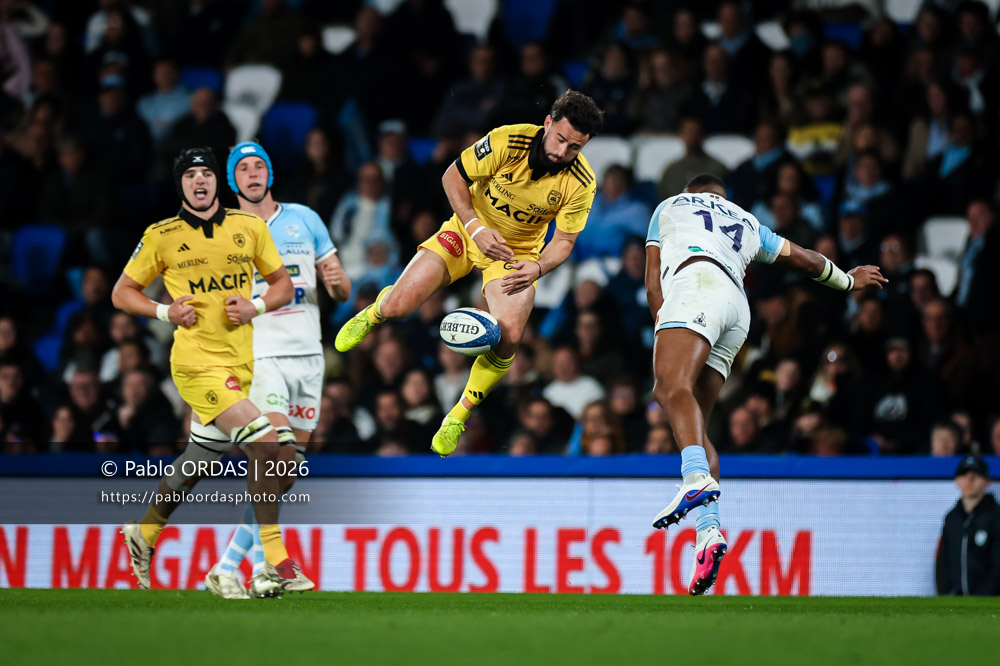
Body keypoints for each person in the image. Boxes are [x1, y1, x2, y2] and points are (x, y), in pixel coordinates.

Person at [645, 173, 886, 595]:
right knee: (694, 426)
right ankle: (708, 531)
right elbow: (807, 260)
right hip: (737, 308)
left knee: (668, 387)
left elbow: (652, 279)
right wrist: (847, 281)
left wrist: (664, 327)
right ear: (725, 198)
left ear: (690, 193)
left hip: (694, 284)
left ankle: (696, 478)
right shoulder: (748, 221)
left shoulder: (671, 206)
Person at [335, 90, 604, 457]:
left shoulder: (582, 182)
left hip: (515, 253)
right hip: (466, 231)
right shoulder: (507, 140)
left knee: (508, 336)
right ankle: (375, 312)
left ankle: (457, 417)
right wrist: (477, 228)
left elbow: (565, 242)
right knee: (400, 307)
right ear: (548, 124)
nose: (562, 153)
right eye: (560, 139)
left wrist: (537, 266)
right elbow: (452, 178)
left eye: (575, 147)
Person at [110, 147, 312, 593]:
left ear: (217, 182)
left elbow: (284, 285)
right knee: (267, 445)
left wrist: (255, 305)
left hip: (240, 361)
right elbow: (122, 293)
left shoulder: (250, 228)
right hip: (196, 363)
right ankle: (276, 559)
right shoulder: (161, 235)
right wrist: (165, 312)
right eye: (190, 176)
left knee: (197, 462)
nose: (199, 182)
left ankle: (143, 533)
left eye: (205, 174)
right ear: (180, 184)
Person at [206, 141, 351, 599]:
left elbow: (341, 284)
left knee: (286, 473)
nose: (252, 173)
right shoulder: (223, 231)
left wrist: (338, 284)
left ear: (269, 174)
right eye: (243, 168)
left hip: (310, 356)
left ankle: (228, 567)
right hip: (260, 356)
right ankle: (275, 564)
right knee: (273, 458)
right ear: (233, 181)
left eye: (258, 166)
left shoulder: (305, 219)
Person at [936, 455, 1000, 596]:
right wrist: (946, 592)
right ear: (957, 481)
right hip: (956, 601)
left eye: (976, 475)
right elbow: (942, 561)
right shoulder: (952, 518)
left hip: (990, 602)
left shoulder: (996, 516)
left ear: (987, 482)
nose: (969, 479)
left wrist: (984, 595)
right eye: (964, 474)